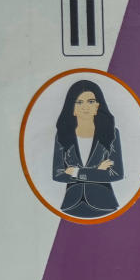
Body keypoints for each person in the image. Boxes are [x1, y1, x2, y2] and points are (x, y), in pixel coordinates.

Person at [52, 79, 124, 218]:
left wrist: (77, 172)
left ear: (98, 105)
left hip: (104, 205)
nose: (85, 106)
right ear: (71, 107)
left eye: (91, 101)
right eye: (79, 102)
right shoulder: (62, 134)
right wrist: (97, 171)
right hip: (70, 206)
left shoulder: (112, 133)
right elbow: (57, 175)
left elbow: (117, 174)